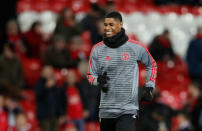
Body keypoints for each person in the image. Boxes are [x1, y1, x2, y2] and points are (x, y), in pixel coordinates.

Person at [87, 11, 157, 131]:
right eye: (105, 25)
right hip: (106, 109)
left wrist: (149, 86)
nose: (107, 28)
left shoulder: (136, 47)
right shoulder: (97, 49)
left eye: (111, 24)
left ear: (120, 25)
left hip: (128, 109)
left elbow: (152, 65)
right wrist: (98, 80)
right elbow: (90, 75)